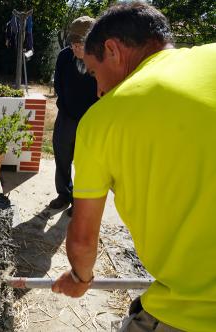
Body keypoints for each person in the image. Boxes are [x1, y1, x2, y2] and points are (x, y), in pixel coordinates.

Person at [51, 2, 216, 331]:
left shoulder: (104, 119)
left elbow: (83, 240)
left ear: (112, 49)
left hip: (189, 313)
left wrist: (81, 277)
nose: (98, 89)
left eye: (95, 72)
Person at [49, 16, 98, 216]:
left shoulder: (100, 60)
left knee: (85, 161)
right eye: (73, 43)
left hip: (91, 119)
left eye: (80, 44)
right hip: (66, 115)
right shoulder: (64, 56)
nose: (75, 48)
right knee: (62, 155)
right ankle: (64, 194)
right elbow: (59, 84)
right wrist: (65, 106)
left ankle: (79, 200)